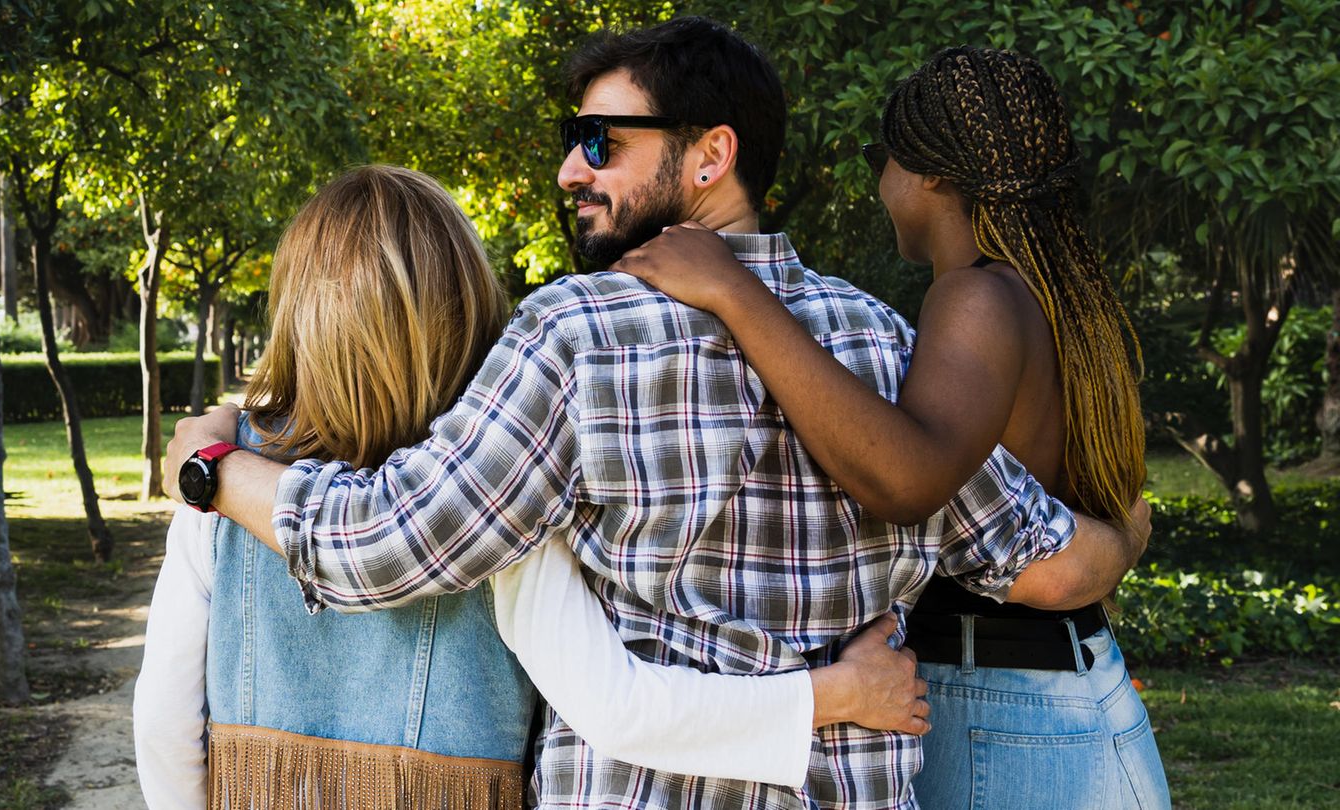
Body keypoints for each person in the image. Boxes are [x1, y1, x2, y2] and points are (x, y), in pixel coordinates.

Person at [163, 19, 1149, 808]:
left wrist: (213, 465)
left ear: (710, 154)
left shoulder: (574, 337)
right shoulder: (881, 342)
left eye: (602, 142)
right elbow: (1045, 561)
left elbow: (385, 545)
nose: (570, 171)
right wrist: (1130, 530)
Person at [132, 165, 927, 809]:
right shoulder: (507, 490)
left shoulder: (224, 491)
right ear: (464, 306)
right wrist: (835, 694)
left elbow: (165, 727)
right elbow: (617, 707)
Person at [611, 46, 1170, 808]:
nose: (880, 185)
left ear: (931, 174)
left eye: (883, 159)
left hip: (997, 708)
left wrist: (736, 290)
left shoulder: (975, 296)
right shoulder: (1054, 293)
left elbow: (907, 476)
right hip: (1060, 694)